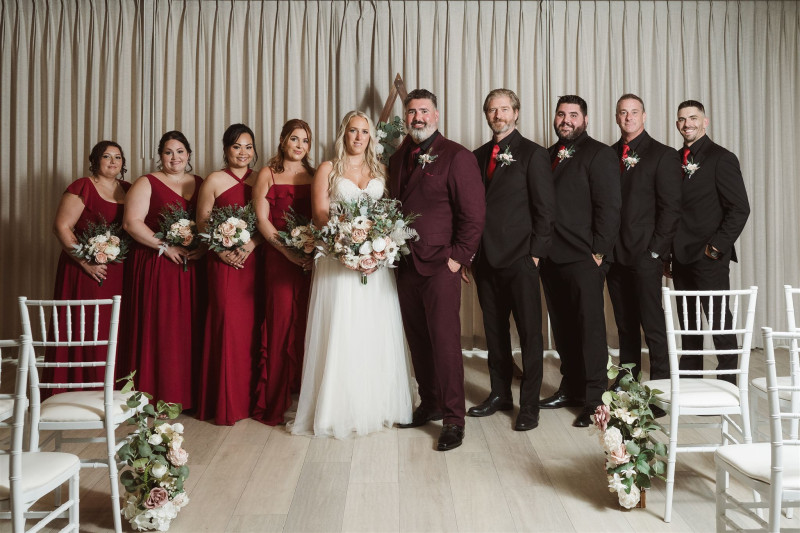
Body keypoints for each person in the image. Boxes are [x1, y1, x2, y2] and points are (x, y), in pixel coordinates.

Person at [288, 110, 414, 438]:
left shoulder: (381, 170)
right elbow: (318, 215)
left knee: (373, 329)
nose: (358, 137)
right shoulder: (329, 169)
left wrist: (375, 248)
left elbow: (389, 216)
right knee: (342, 329)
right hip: (337, 261)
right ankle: (336, 409)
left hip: (375, 266)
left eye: (364, 132)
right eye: (353, 131)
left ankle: (379, 405)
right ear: (343, 134)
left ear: (371, 136)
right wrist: (346, 247)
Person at [390, 89, 485, 451]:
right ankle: (428, 403)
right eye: (411, 111)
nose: (417, 117)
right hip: (405, 263)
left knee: (445, 343)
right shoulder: (399, 157)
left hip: (441, 264)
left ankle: (453, 419)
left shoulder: (456, 156)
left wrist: (458, 258)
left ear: (437, 115)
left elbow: (473, 214)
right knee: (418, 340)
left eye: (424, 111)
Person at [468, 89, 554, 432]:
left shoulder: (533, 154)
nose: (498, 115)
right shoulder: (475, 156)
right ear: (487, 115)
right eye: (492, 110)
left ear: (516, 113)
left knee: (531, 334)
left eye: (504, 109)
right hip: (486, 260)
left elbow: (546, 211)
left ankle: (529, 405)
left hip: (520, 258)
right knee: (494, 332)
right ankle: (500, 394)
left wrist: (534, 255)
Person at [539, 95, 621, 428]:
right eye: (561, 114)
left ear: (585, 119)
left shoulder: (599, 154)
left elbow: (610, 207)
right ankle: (570, 387)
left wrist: (599, 252)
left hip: (585, 257)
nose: (566, 120)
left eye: (573, 115)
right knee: (563, 327)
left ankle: (594, 399)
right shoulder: (546, 156)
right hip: (552, 257)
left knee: (589, 328)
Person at [117, 131, 206, 408]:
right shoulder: (147, 182)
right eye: (168, 152)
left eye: (180, 151)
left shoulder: (201, 182)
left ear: (188, 154)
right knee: (162, 329)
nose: (174, 157)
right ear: (160, 155)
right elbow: (132, 223)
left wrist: (203, 248)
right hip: (157, 264)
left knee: (190, 329)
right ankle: (156, 396)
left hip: (193, 265)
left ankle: (187, 397)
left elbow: (208, 222)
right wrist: (165, 247)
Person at [668, 100, 750, 384]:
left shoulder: (721, 158)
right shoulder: (673, 159)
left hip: (708, 256)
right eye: (681, 119)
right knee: (688, 323)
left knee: (718, 321)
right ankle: (691, 380)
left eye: (693, 118)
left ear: (705, 122)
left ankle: (728, 382)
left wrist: (715, 248)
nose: (687, 123)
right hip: (679, 255)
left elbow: (740, 208)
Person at [607, 94, 682, 393]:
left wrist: (656, 252)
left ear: (644, 115)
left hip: (645, 254)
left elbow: (671, 208)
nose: (628, 118)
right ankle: (627, 383)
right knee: (624, 326)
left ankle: (662, 390)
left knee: (653, 326)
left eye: (634, 112)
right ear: (616, 117)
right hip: (615, 254)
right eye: (623, 113)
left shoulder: (663, 154)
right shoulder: (608, 154)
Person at [45, 140, 131, 393]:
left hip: (119, 270)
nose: (113, 161)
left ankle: (111, 387)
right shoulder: (82, 186)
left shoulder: (128, 189)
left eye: (118, 157)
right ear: (95, 161)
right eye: (107, 156)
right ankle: (77, 386)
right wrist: (85, 262)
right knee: (87, 325)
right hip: (85, 269)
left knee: (113, 326)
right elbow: (61, 226)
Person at [196, 124, 263, 425]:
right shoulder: (213, 180)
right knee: (227, 329)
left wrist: (251, 244)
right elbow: (201, 223)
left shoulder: (261, 178)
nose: (243, 153)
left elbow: (268, 220)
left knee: (253, 330)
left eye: (248, 147)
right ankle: (225, 404)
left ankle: (253, 401)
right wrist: (220, 250)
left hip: (255, 262)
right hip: (222, 264)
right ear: (225, 149)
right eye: (237, 146)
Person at [252, 119, 315, 426]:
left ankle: (304, 398)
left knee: (307, 325)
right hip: (278, 257)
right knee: (279, 325)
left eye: (305, 140)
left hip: (310, 261)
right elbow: (262, 221)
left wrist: (311, 252)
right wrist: (288, 252)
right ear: (282, 140)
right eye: (294, 139)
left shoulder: (315, 175)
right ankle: (275, 400)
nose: (299, 145)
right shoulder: (267, 173)